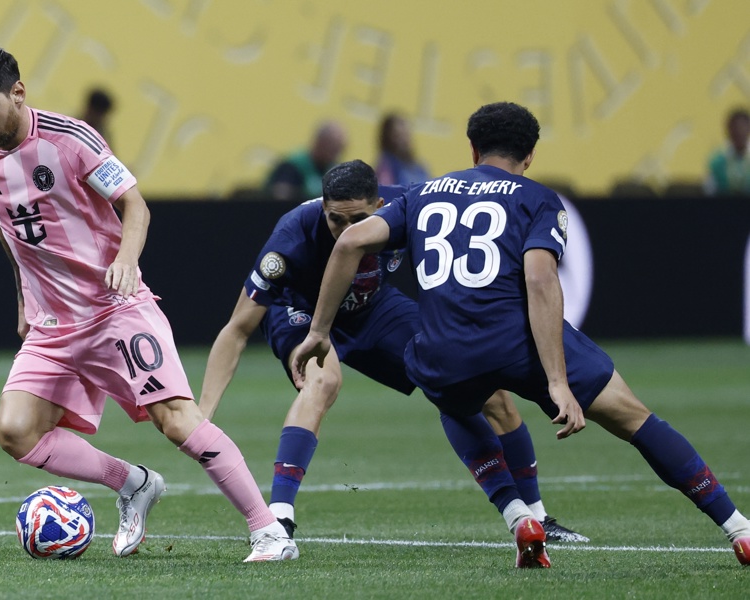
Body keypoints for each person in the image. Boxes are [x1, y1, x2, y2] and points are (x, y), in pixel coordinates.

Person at [291, 102, 750, 568]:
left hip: (444, 350)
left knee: (452, 400)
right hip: (517, 341)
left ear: (473, 150)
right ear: (529, 155)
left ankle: (518, 515)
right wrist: (557, 382)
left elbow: (350, 241)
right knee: (635, 419)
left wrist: (320, 330)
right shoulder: (537, 199)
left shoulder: (424, 193)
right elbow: (539, 280)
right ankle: (738, 528)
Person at [0, 44, 297, 563]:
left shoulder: (72, 140)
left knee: (176, 420)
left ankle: (269, 531)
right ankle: (133, 483)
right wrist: (23, 297)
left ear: (17, 92)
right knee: (15, 431)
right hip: (52, 325)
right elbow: (8, 232)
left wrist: (127, 260)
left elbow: (135, 204)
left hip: (115, 309)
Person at [200, 159, 588, 544]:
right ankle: (279, 519)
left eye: (359, 220)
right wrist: (201, 420)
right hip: (300, 311)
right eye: (336, 220)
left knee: (476, 385)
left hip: (372, 308)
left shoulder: (412, 206)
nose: (347, 232)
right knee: (323, 381)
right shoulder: (292, 236)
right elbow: (236, 330)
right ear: (323, 208)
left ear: (381, 207)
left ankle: (536, 518)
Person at [265, 120, 347, 201]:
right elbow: (280, 194)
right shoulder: (293, 166)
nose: (336, 154)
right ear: (319, 142)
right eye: (332, 148)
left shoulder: (334, 170)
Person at [375, 112, 430, 186]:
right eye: (398, 135)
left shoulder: (420, 169)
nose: (404, 141)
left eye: (406, 134)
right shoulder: (386, 168)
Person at [705, 107, 750, 195]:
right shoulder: (717, 162)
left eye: (742, 127)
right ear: (729, 129)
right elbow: (709, 192)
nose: (739, 131)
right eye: (735, 128)